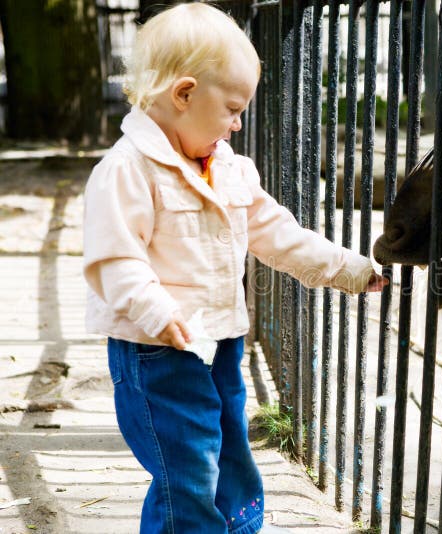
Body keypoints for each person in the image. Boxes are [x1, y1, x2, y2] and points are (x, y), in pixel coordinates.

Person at [82, 4, 387, 533]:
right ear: (183, 94)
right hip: (158, 350)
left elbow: (277, 233)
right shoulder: (126, 170)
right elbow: (114, 258)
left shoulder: (228, 167)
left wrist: (346, 268)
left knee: (229, 451)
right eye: (230, 108)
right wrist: (156, 309)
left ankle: (240, 527)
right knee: (187, 469)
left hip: (222, 340)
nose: (238, 123)